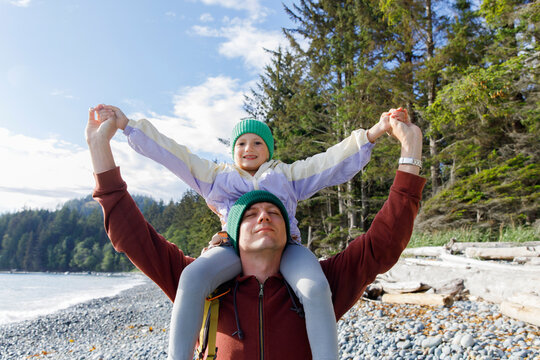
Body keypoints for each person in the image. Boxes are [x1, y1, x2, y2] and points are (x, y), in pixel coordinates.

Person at [87, 107, 425, 359]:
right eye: (249, 213)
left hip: (295, 260)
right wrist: (119, 134)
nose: (263, 216)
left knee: (315, 286)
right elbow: (173, 158)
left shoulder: (315, 277)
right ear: (232, 225)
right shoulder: (208, 287)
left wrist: (386, 140)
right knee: (191, 277)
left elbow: (331, 166)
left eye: (275, 210)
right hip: (220, 256)